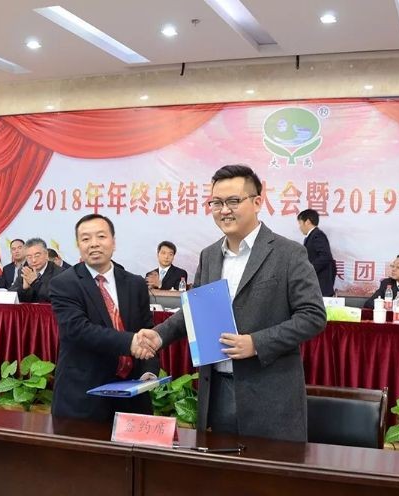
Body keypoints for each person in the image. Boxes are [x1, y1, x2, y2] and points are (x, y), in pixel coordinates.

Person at [136, 164, 326, 442]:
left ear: (257, 202)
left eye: (234, 201)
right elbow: (196, 310)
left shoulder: (288, 253)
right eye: (217, 203)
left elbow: (313, 316)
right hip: (218, 391)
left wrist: (256, 343)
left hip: (270, 395)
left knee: (268, 470)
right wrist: (159, 335)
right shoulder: (209, 255)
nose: (224, 210)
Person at [49, 214, 159, 421]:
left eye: (101, 236)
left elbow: (147, 330)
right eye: (86, 239)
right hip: (84, 397)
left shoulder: (135, 283)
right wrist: (130, 342)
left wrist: (149, 372)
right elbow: (78, 330)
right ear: (78, 245)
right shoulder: (64, 283)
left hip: (132, 398)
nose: (94, 244)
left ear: (113, 242)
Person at [297, 209, 336, 297]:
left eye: (300, 223)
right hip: (316, 285)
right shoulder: (312, 236)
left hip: (321, 285)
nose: (299, 227)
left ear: (307, 222)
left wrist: (309, 270)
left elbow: (325, 257)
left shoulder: (317, 235)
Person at [11, 238, 63, 302]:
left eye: (37, 255)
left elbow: (56, 298)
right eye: (29, 257)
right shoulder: (24, 271)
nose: (33, 260)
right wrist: (24, 289)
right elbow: (10, 294)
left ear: (46, 255)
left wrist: (35, 283)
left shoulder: (60, 273)